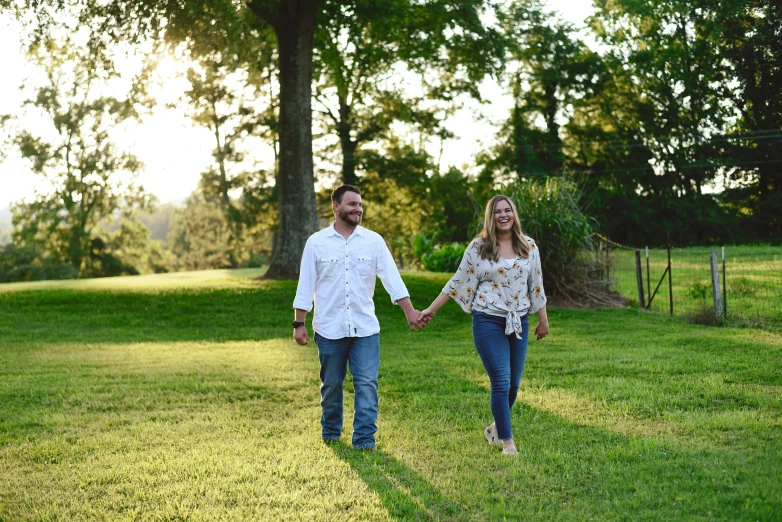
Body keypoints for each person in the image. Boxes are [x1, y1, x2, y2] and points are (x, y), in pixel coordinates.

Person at [292, 184, 425, 450]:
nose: (358, 209)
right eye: (352, 204)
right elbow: (305, 284)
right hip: (329, 329)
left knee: (366, 384)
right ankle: (331, 432)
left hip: (365, 328)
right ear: (336, 206)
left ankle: (364, 440)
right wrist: (299, 322)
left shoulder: (373, 241)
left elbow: (392, 279)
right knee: (331, 385)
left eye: (360, 205)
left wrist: (409, 310)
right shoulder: (316, 243)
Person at [419, 195, 549, 455]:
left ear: (514, 214)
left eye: (507, 210)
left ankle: (494, 428)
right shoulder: (478, 248)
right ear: (490, 217)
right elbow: (457, 282)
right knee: (500, 381)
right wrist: (430, 310)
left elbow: (536, 283)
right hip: (488, 320)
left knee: (513, 385)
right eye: (497, 211)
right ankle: (507, 444)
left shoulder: (529, 246)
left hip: (518, 321)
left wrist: (542, 319)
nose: (503, 215)